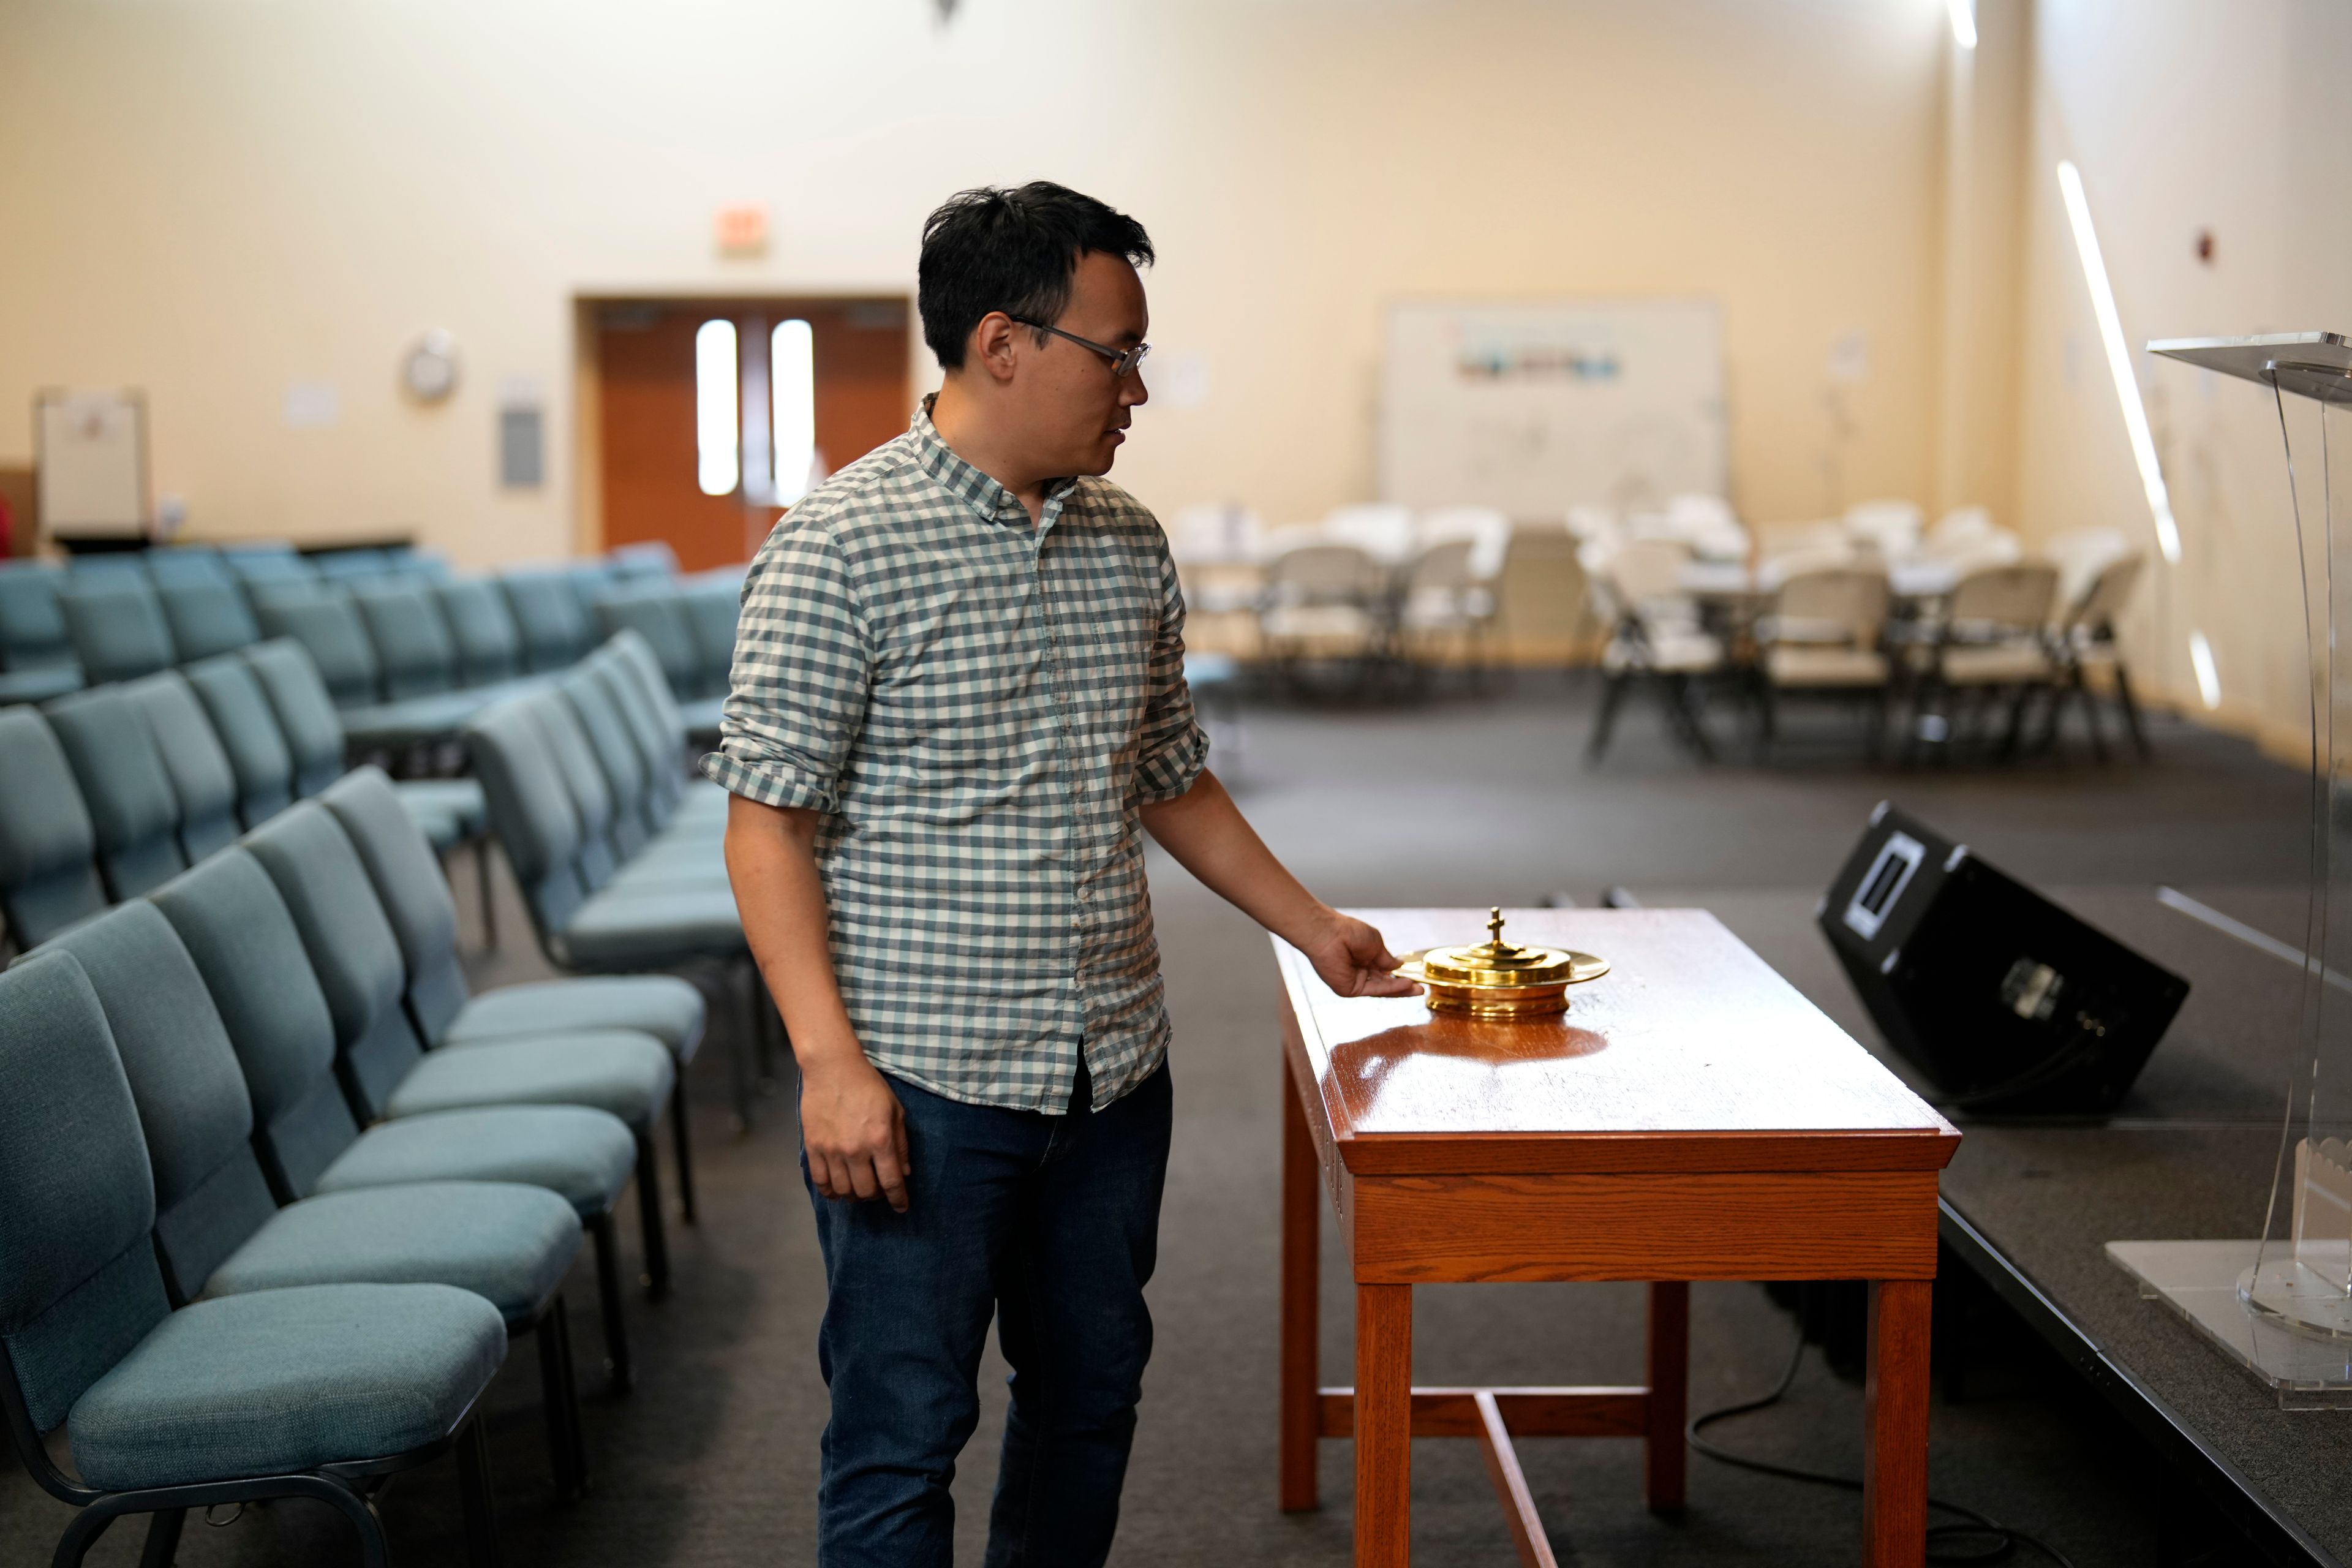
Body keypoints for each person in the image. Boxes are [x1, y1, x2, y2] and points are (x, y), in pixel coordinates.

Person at [706, 181, 1414, 1568]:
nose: (1139, 386)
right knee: (902, 1436)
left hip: (1110, 1076)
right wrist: (827, 1062)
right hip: (923, 1081)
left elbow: (1168, 773)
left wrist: (1311, 922)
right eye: (1118, 351)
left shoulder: (1127, 542)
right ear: (1001, 343)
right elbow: (765, 824)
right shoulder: (838, 545)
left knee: (1089, 1401)